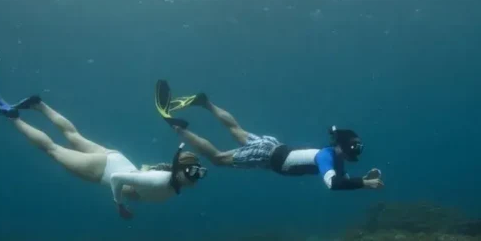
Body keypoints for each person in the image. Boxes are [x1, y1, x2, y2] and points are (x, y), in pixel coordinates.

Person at [0, 58, 206, 219]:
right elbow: (119, 179)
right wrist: (118, 204)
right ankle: (14, 118)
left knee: (72, 135)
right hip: (103, 171)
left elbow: (139, 177)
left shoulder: (168, 180)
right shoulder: (161, 181)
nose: (197, 177)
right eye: (193, 172)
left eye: (199, 173)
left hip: (114, 159)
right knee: (52, 149)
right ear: (179, 171)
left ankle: (38, 105)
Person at [154, 80, 384, 191]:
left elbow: (341, 178)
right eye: (354, 149)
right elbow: (334, 184)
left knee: (237, 130)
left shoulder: (333, 158)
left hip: (272, 147)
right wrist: (363, 183)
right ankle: (179, 128)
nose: (355, 153)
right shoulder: (326, 159)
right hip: (266, 156)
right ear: (342, 147)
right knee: (218, 159)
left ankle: (207, 103)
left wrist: (364, 179)